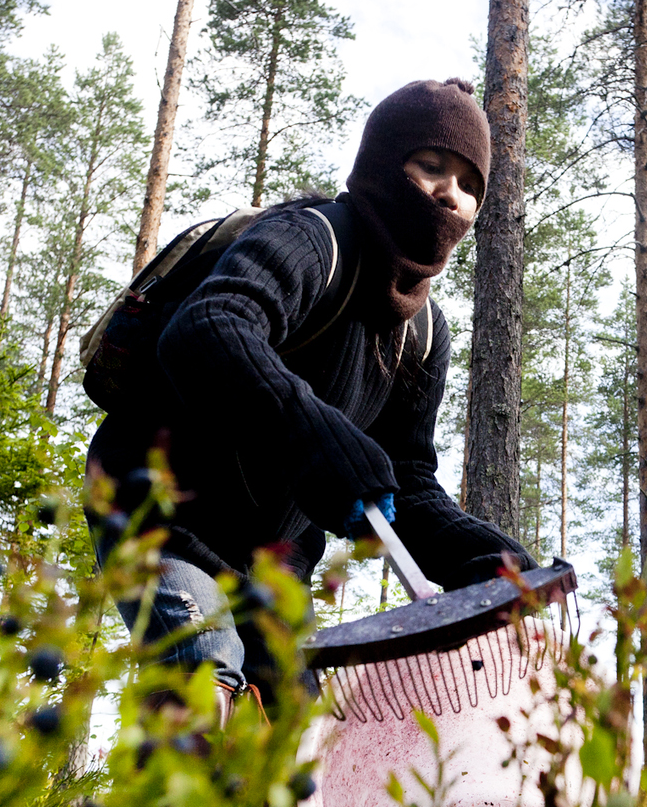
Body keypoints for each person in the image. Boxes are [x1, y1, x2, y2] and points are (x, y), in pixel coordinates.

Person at [86, 77, 535, 709]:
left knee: (294, 738)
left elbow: (401, 478)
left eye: (469, 185)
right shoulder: (314, 237)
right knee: (204, 663)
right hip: (157, 508)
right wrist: (311, 430)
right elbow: (208, 327)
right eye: (430, 166)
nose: (448, 193)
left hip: (276, 556)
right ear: (383, 162)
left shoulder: (424, 332)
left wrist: (476, 554)